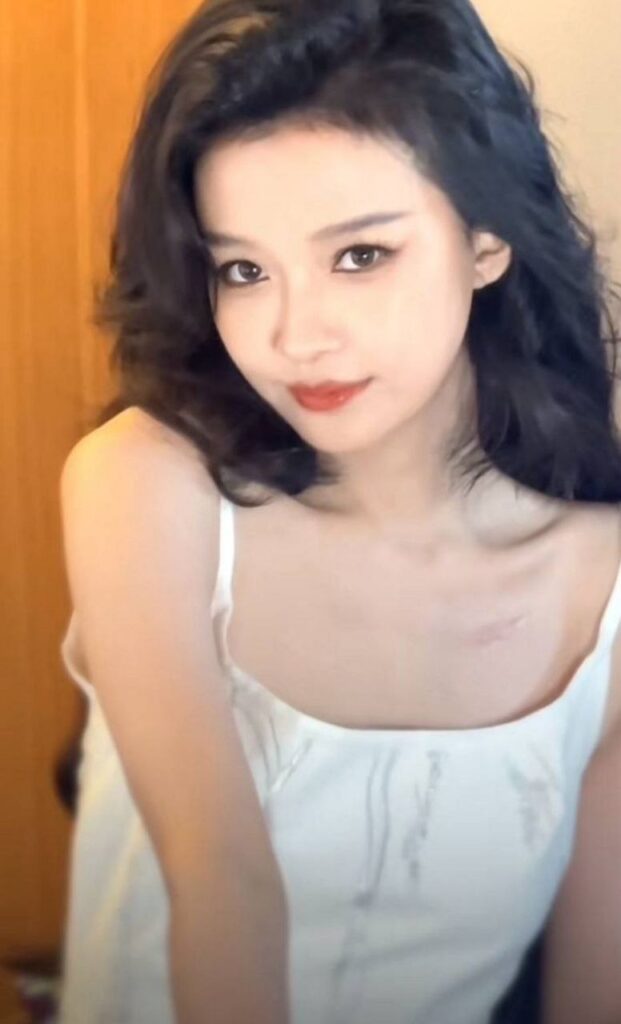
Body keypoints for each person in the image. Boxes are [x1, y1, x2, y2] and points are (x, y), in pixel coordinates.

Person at [56, 0, 621, 1022]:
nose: (295, 335)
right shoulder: (148, 487)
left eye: (360, 255)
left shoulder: (602, 589)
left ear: (486, 239)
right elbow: (223, 878)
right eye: (244, 270)